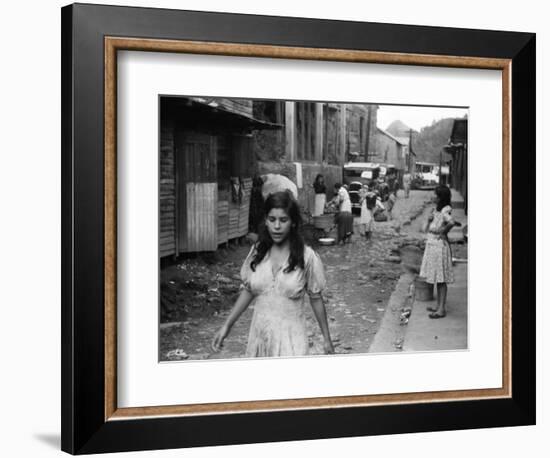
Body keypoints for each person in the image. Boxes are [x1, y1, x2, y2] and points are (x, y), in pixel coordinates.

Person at [211, 191, 334, 357]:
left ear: (293, 223)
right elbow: (249, 290)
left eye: (283, 220)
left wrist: (327, 339)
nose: (277, 226)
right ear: (266, 221)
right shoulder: (258, 252)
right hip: (260, 339)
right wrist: (227, 325)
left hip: (292, 343)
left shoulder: (307, 257)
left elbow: (316, 298)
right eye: (272, 219)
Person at [419, 185, 457, 319]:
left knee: (441, 280)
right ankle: (439, 306)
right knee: (436, 277)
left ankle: (441, 309)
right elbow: (424, 229)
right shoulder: (435, 210)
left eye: (435, 194)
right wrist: (428, 220)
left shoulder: (445, 210)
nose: (432, 195)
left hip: (439, 246)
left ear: (440, 197)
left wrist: (443, 231)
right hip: (432, 245)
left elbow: (451, 222)